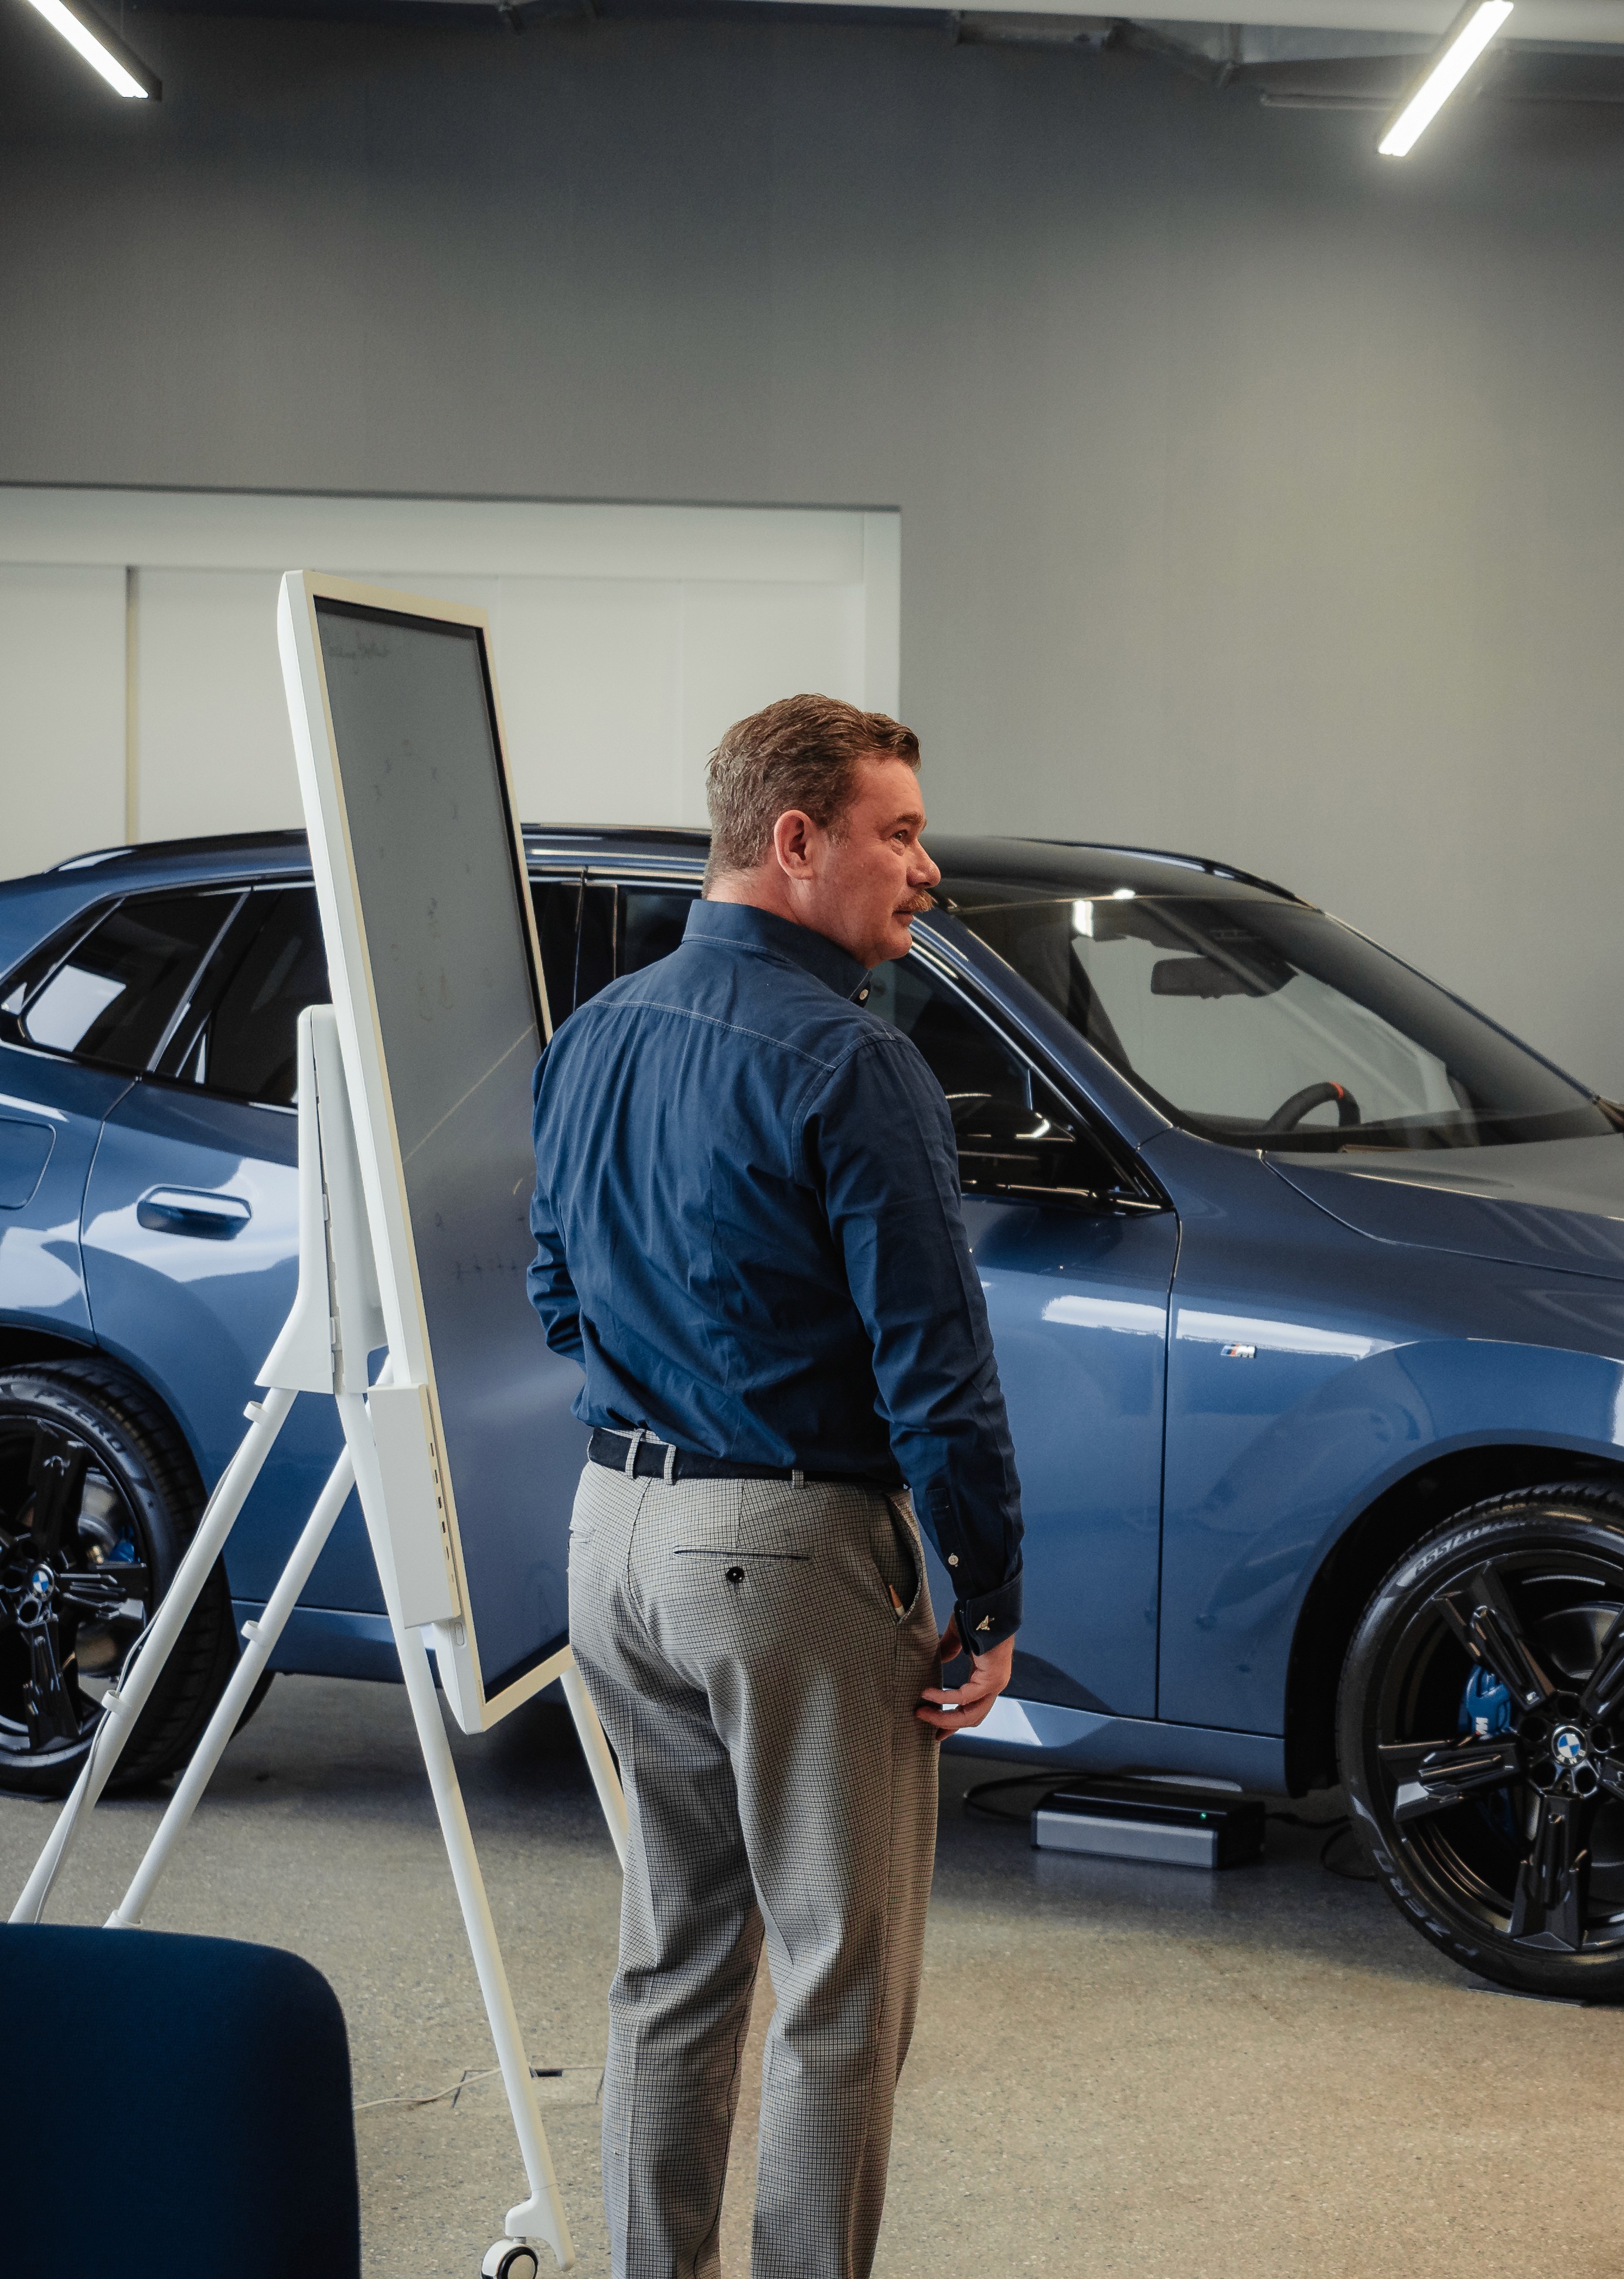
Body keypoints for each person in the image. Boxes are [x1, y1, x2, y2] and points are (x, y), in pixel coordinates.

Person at [527, 695, 1023, 2279]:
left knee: (672, 1961)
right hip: (787, 1554)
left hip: (610, 1540)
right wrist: (988, 1590)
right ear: (795, 841)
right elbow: (935, 1364)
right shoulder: (851, 1062)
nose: (925, 869)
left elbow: (554, 1295)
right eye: (898, 833)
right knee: (835, 1990)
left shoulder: (594, 1032)